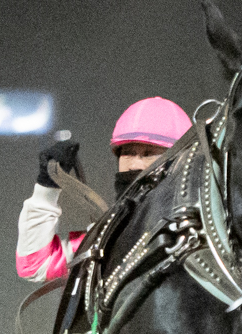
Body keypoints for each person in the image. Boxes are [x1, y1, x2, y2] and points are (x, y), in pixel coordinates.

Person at [15, 96, 192, 282]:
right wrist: (47, 189)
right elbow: (35, 265)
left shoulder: (204, 233)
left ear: (179, 160)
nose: (133, 164)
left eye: (148, 154)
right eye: (128, 153)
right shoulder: (106, 239)